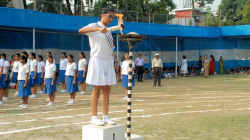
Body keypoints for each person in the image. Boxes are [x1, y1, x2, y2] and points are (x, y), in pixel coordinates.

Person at [78, 6, 117, 126]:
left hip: (108, 60)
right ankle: (94, 117)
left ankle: (106, 116)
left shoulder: (108, 30)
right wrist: (97, 29)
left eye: (113, 17)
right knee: (96, 89)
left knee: (107, 89)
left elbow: (108, 47)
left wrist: (114, 59)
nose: (111, 19)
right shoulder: (94, 25)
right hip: (97, 60)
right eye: (109, 16)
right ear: (102, 14)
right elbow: (81, 30)